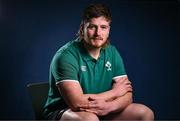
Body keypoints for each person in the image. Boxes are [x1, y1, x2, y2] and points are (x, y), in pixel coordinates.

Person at [43, 3, 154, 121]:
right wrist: (115, 92)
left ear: (108, 30)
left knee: (145, 113)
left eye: (103, 27)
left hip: (103, 109)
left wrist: (110, 106)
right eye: (92, 27)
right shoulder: (65, 56)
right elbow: (76, 103)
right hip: (64, 112)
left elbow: (127, 96)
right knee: (90, 119)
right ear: (82, 28)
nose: (98, 33)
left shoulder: (112, 52)